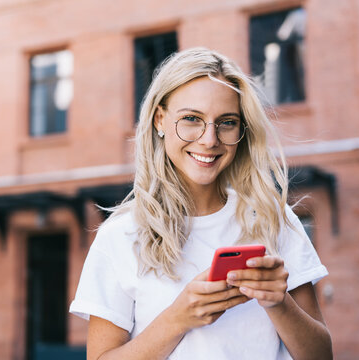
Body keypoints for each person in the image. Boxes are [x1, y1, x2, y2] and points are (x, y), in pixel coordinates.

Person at [69, 47, 332, 359]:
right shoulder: (120, 235)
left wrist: (278, 302)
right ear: (160, 121)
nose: (210, 139)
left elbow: (321, 356)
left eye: (227, 122)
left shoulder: (274, 220)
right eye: (191, 119)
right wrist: (176, 319)